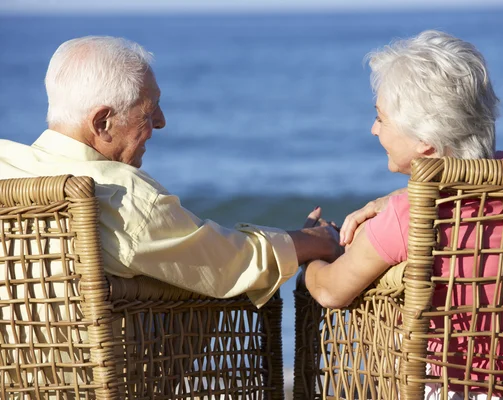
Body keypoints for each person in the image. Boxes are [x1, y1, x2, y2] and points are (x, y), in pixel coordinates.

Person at [303, 30, 503, 398]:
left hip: (465, 386)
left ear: (424, 141)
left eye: (381, 118)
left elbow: (331, 292)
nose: (373, 128)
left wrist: (316, 254)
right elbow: (472, 181)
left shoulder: (408, 217)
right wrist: (398, 194)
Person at [0, 35, 342, 308]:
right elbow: (228, 265)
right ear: (102, 123)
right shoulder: (121, 197)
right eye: (148, 111)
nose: (161, 122)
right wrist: (313, 242)